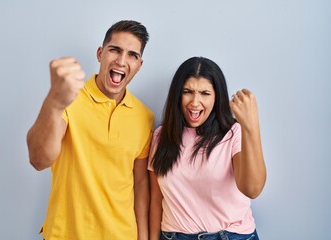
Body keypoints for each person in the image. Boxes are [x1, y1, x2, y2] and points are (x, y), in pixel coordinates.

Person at [26, 20, 154, 240]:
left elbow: (141, 183)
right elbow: (39, 160)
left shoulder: (144, 116)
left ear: (139, 64)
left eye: (132, 55)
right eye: (115, 50)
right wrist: (55, 102)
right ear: (100, 53)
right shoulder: (68, 99)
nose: (122, 61)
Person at [148, 57, 266, 240]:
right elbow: (156, 199)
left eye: (204, 93)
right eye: (187, 91)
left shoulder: (233, 133)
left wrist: (250, 127)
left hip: (230, 236)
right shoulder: (160, 136)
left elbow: (252, 189)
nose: (195, 102)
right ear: (177, 94)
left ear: (216, 97)